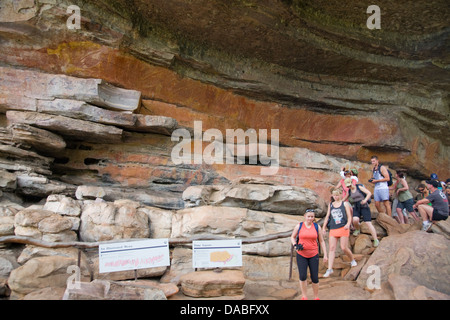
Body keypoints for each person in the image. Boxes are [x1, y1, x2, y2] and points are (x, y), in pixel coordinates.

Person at [290, 209, 328, 300]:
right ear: (305, 216)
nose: (310, 218)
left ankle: (316, 297)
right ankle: (304, 296)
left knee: (314, 277)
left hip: (313, 254)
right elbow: (292, 237)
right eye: (308, 216)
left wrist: (325, 254)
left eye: (312, 217)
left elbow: (321, 241)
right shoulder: (299, 226)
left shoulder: (316, 226)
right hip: (301, 254)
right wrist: (295, 245)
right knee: (302, 276)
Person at [322, 188, 357, 278]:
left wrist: (348, 224)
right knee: (332, 248)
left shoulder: (344, 204)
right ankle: (329, 269)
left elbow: (349, 216)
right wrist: (323, 227)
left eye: (337, 195)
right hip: (333, 228)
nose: (336, 197)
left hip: (343, 227)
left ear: (341, 195)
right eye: (334, 195)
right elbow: (327, 216)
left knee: (343, 247)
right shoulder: (331, 204)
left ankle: (352, 259)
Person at [345, 178, 379, 247]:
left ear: (352, 182)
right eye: (348, 186)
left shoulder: (359, 187)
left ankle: (375, 239)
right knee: (355, 220)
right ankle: (357, 229)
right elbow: (345, 198)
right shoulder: (349, 191)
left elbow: (369, 193)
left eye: (350, 185)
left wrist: (365, 200)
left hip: (364, 205)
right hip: (356, 206)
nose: (349, 187)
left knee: (368, 223)